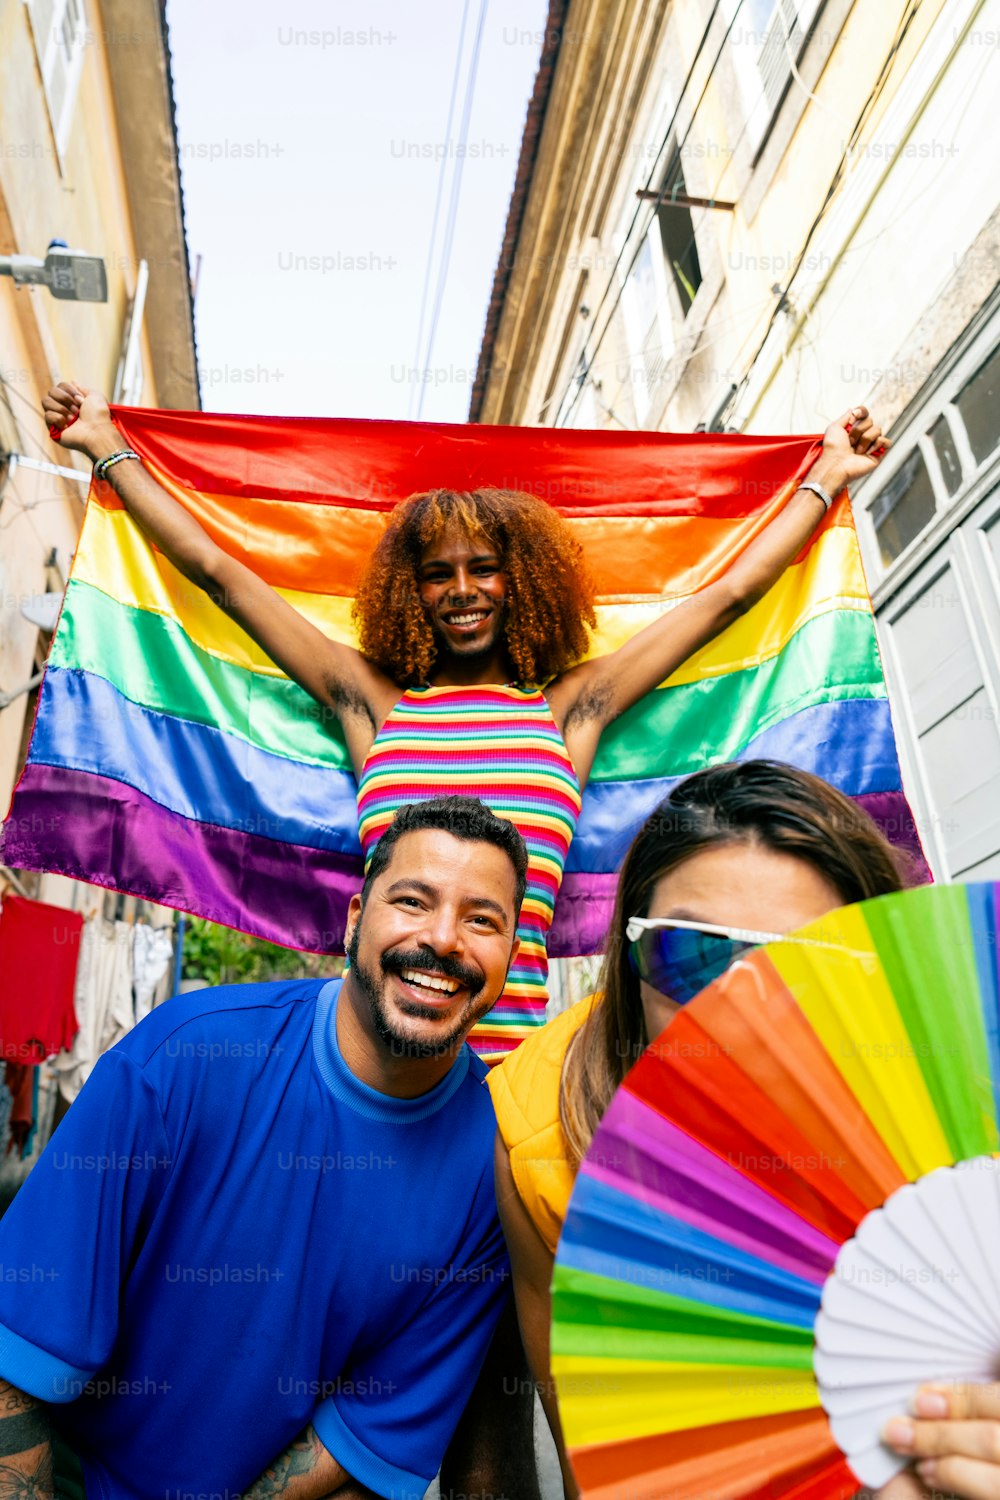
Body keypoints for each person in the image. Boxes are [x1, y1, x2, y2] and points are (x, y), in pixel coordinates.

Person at [42, 382, 889, 1063]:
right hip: (375, 1059)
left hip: (511, 1071)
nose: (462, 590)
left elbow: (726, 598)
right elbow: (221, 573)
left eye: (484, 569)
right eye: (438, 573)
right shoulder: (371, 703)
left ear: (520, 582)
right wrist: (104, 445)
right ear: (411, 592)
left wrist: (828, 474)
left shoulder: (572, 710)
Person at [0, 796, 533, 1500]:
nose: (443, 939)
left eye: (482, 920)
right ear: (354, 920)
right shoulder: (182, 1057)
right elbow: (16, 1364)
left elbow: (360, 1448)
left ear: (512, 958)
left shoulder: (492, 1174)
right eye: (412, 900)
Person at [487, 759, 908, 1497]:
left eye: (802, 971)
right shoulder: (542, 1137)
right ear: (628, 953)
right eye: (689, 955)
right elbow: (592, 1447)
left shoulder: (952, 1123)